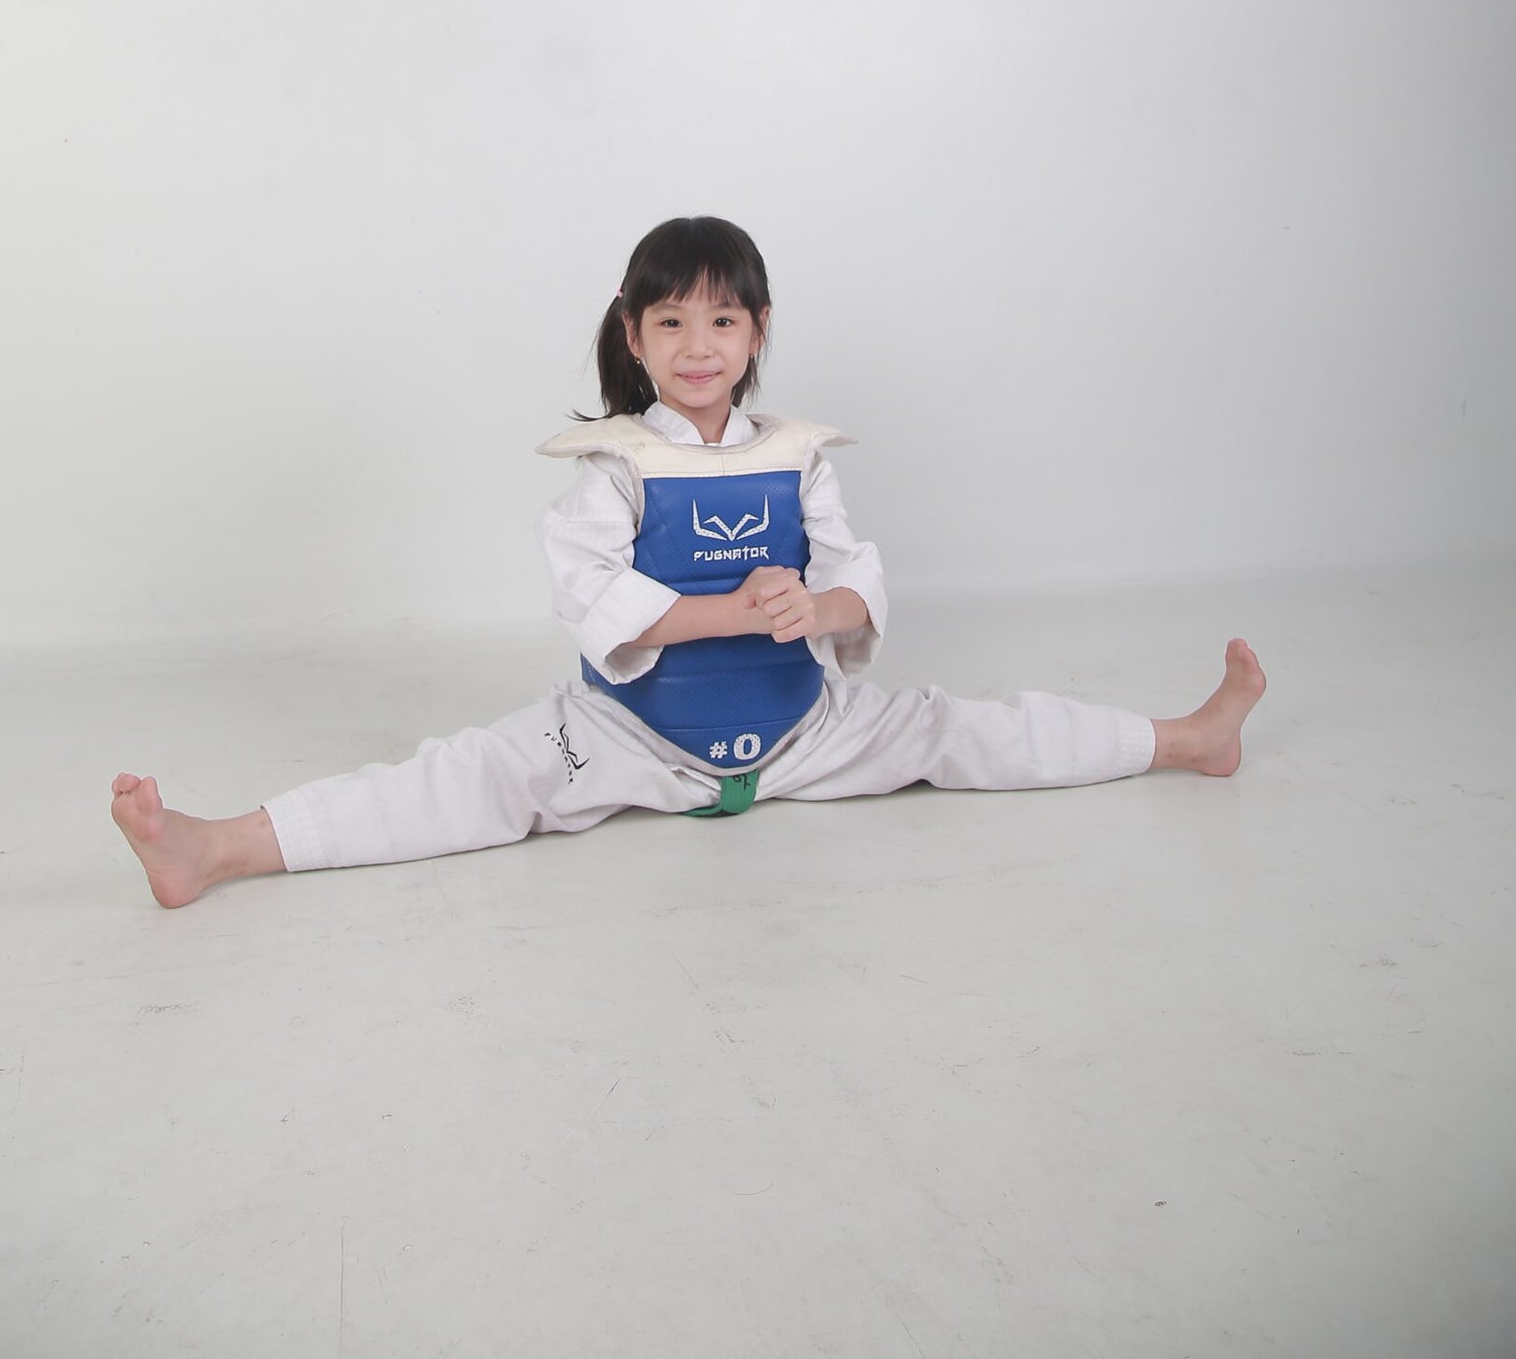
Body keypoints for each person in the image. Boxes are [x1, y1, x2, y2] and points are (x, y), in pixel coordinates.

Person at [111, 215, 1267, 907]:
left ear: (757, 331)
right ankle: (216, 849)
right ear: (634, 336)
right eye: (670, 322)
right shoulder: (615, 466)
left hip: (810, 734)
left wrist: (811, 606)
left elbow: (858, 578)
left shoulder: (796, 456)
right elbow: (595, 599)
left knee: (971, 733)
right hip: (629, 739)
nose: (697, 345)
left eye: (721, 321)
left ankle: (1186, 739)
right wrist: (740, 614)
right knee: (462, 781)